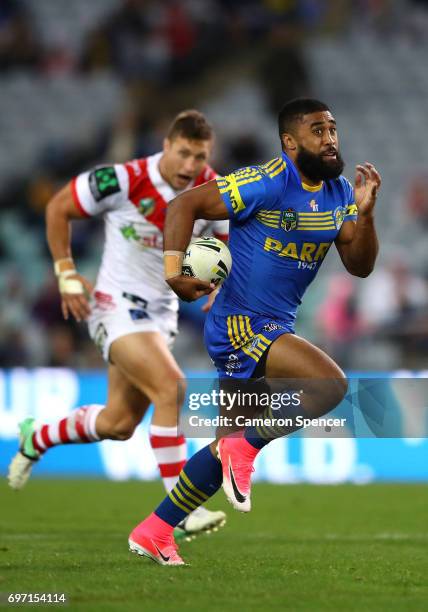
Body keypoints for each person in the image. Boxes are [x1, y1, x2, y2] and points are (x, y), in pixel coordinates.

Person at [128, 98, 381, 565]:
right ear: (290, 142)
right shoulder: (265, 181)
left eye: (333, 128)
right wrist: (174, 271)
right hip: (239, 323)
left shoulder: (342, 192)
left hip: (271, 325)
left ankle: (155, 530)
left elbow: (360, 265)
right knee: (328, 385)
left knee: (224, 444)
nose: (329, 138)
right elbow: (184, 205)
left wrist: (364, 215)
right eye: (317, 130)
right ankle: (247, 448)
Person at [7, 110, 228, 538]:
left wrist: (219, 282)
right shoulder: (123, 179)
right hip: (115, 308)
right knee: (171, 387)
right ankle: (181, 510)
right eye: (183, 153)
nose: (189, 165)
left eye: (198, 156)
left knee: (118, 423)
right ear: (166, 146)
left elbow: (224, 241)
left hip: (160, 318)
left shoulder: (213, 190)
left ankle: (39, 436)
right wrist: (67, 273)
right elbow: (58, 208)